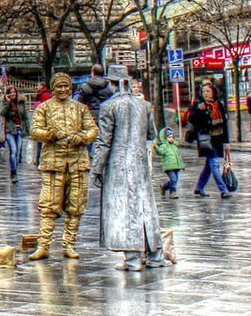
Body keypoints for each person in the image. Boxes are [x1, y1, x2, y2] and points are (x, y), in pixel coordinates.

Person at [93, 82, 168, 270]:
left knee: (124, 209)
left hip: (118, 164)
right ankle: (156, 255)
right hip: (140, 162)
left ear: (112, 83)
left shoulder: (108, 106)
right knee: (146, 207)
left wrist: (97, 168)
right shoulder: (145, 105)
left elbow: (104, 141)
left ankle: (133, 258)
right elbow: (151, 133)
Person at [27, 74, 97, 260]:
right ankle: (43, 245)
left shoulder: (80, 108)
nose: (63, 89)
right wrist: (51, 134)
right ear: (53, 88)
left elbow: (92, 130)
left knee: (76, 206)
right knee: (49, 206)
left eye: (66, 86)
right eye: (59, 86)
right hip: (53, 163)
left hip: (77, 163)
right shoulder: (44, 108)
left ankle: (70, 244)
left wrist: (81, 138)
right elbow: (34, 131)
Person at [186, 88, 231, 199]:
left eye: (208, 91)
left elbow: (224, 124)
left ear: (213, 92)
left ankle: (199, 187)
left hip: (217, 139)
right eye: (204, 91)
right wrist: (198, 110)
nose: (205, 93)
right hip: (205, 140)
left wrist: (227, 142)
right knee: (214, 164)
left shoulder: (219, 105)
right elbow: (191, 119)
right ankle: (223, 190)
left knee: (209, 166)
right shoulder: (198, 105)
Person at [0, 84, 29, 179]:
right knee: (13, 150)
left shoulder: (21, 102)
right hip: (9, 130)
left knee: (18, 152)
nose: (12, 94)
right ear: (7, 94)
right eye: (10, 93)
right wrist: (8, 103)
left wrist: (29, 130)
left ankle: (14, 169)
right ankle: (14, 172)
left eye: (14, 92)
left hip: (20, 129)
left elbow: (25, 117)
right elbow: (2, 113)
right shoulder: (4, 102)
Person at [154, 127, 184, 196]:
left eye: (172, 137)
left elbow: (178, 156)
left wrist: (180, 165)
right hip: (169, 166)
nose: (171, 139)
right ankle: (172, 193)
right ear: (165, 138)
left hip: (176, 166)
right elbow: (160, 152)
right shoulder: (164, 146)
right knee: (174, 180)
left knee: (174, 180)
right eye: (169, 137)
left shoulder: (174, 146)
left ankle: (164, 187)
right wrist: (156, 148)